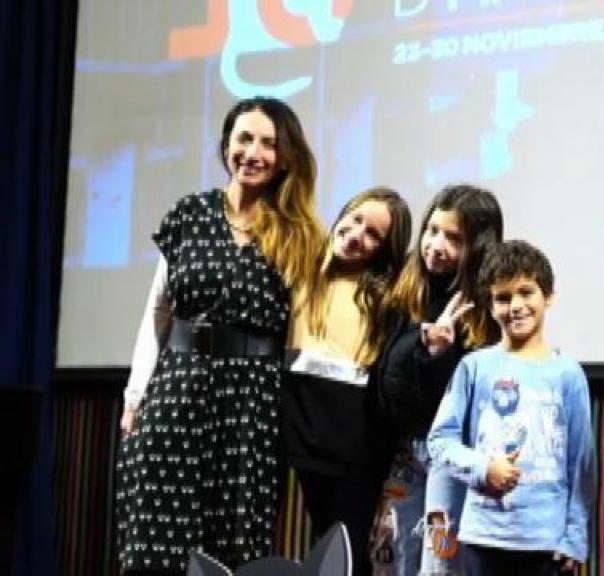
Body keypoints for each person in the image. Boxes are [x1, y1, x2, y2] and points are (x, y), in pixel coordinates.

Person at [116, 96, 324, 574]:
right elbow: (158, 312)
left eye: (268, 143)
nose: (253, 152)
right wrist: (135, 396)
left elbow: (303, 333)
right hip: (177, 387)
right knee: (156, 535)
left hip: (252, 402)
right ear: (226, 144)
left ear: (286, 156)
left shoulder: (299, 234)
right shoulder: (189, 214)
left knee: (233, 543)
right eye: (243, 138)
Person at [426, 240, 595, 576]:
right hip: (483, 537)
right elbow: (439, 441)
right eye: (503, 298)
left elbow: (582, 464)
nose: (515, 306)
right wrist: (482, 467)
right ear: (490, 306)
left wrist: (574, 538)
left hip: (546, 542)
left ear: (548, 296)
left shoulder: (568, 373)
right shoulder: (474, 367)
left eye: (526, 292)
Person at [281, 186, 412, 575]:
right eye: (355, 220)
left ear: (385, 250)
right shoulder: (301, 271)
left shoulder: (387, 298)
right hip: (298, 437)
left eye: (373, 234)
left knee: (346, 555)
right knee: (315, 549)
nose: (356, 235)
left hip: (355, 449)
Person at [374, 184, 504, 575]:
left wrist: (439, 355)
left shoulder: (483, 309)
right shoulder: (407, 290)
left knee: (440, 563)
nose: (436, 246)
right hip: (405, 450)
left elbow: (459, 401)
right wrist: (425, 347)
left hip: (451, 453)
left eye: (453, 238)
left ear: (478, 247)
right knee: (393, 557)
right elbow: (389, 380)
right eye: (432, 231)